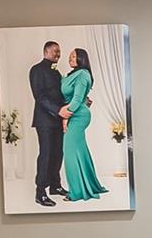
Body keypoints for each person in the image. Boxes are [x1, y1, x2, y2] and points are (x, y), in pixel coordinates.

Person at [60, 47, 108, 201]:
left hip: (77, 116)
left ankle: (77, 192)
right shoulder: (74, 74)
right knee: (80, 151)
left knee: (69, 153)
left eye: (74, 56)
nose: (70, 59)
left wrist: (65, 117)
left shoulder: (82, 74)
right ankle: (90, 185)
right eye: (70, 56)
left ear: (82, 59)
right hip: (77, 113)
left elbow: (76, 99)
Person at [27, 41, 69, 206]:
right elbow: (40, 96)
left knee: (58, 153)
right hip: (44, 121)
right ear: (45, 52)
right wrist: (58, 110)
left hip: (57, 120)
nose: (58, 54)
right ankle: (40, 193)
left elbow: (60, 95)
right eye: (54, 51)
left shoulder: (56, 72)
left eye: (59, 51)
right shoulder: (37, 70)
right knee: (46, 154)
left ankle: (55, 186)